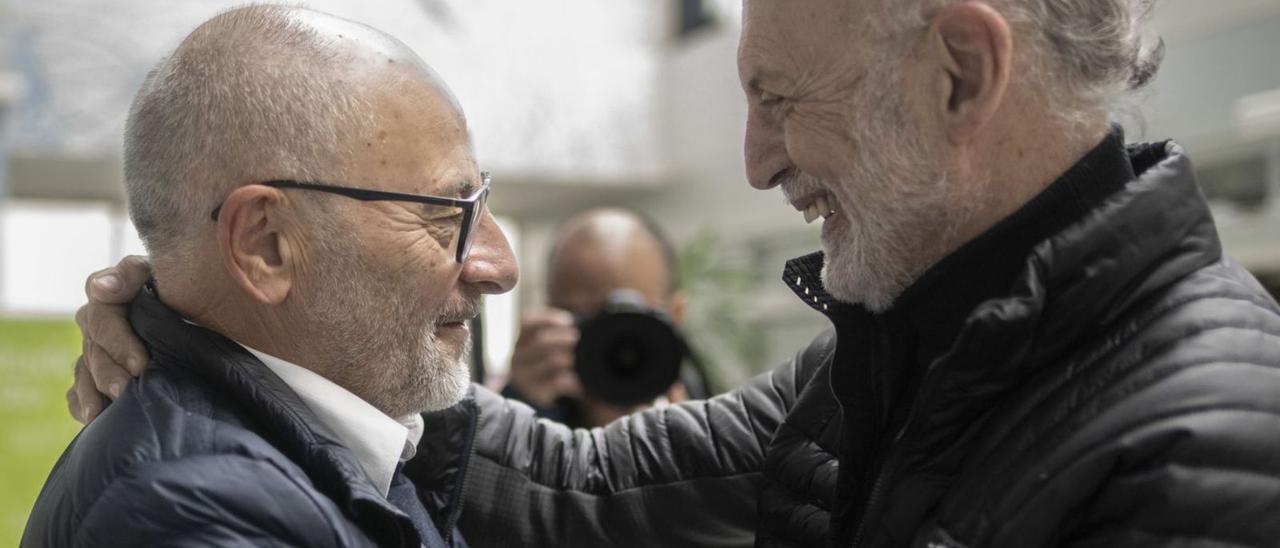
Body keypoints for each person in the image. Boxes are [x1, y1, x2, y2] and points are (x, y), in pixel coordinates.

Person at [69, 0, 1280, 546]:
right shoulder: (903, 351)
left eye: (777, 99)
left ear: (958, 73)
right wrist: (214, 321)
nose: (754, 163)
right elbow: (583, 485)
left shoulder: (1205, 446)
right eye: (445, 213)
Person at [26, 5, 519, 547]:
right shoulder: (195, 507)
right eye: (446, 213)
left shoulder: (336, 452)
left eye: (479, 201)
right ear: (265, 246)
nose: (499, 266)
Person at [503, 207, 707, 428]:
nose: (612, 344)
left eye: (630, 316)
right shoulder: (518, 420)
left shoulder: (709, 429)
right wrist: (517, 412)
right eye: (580, 317)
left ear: (675, 315)